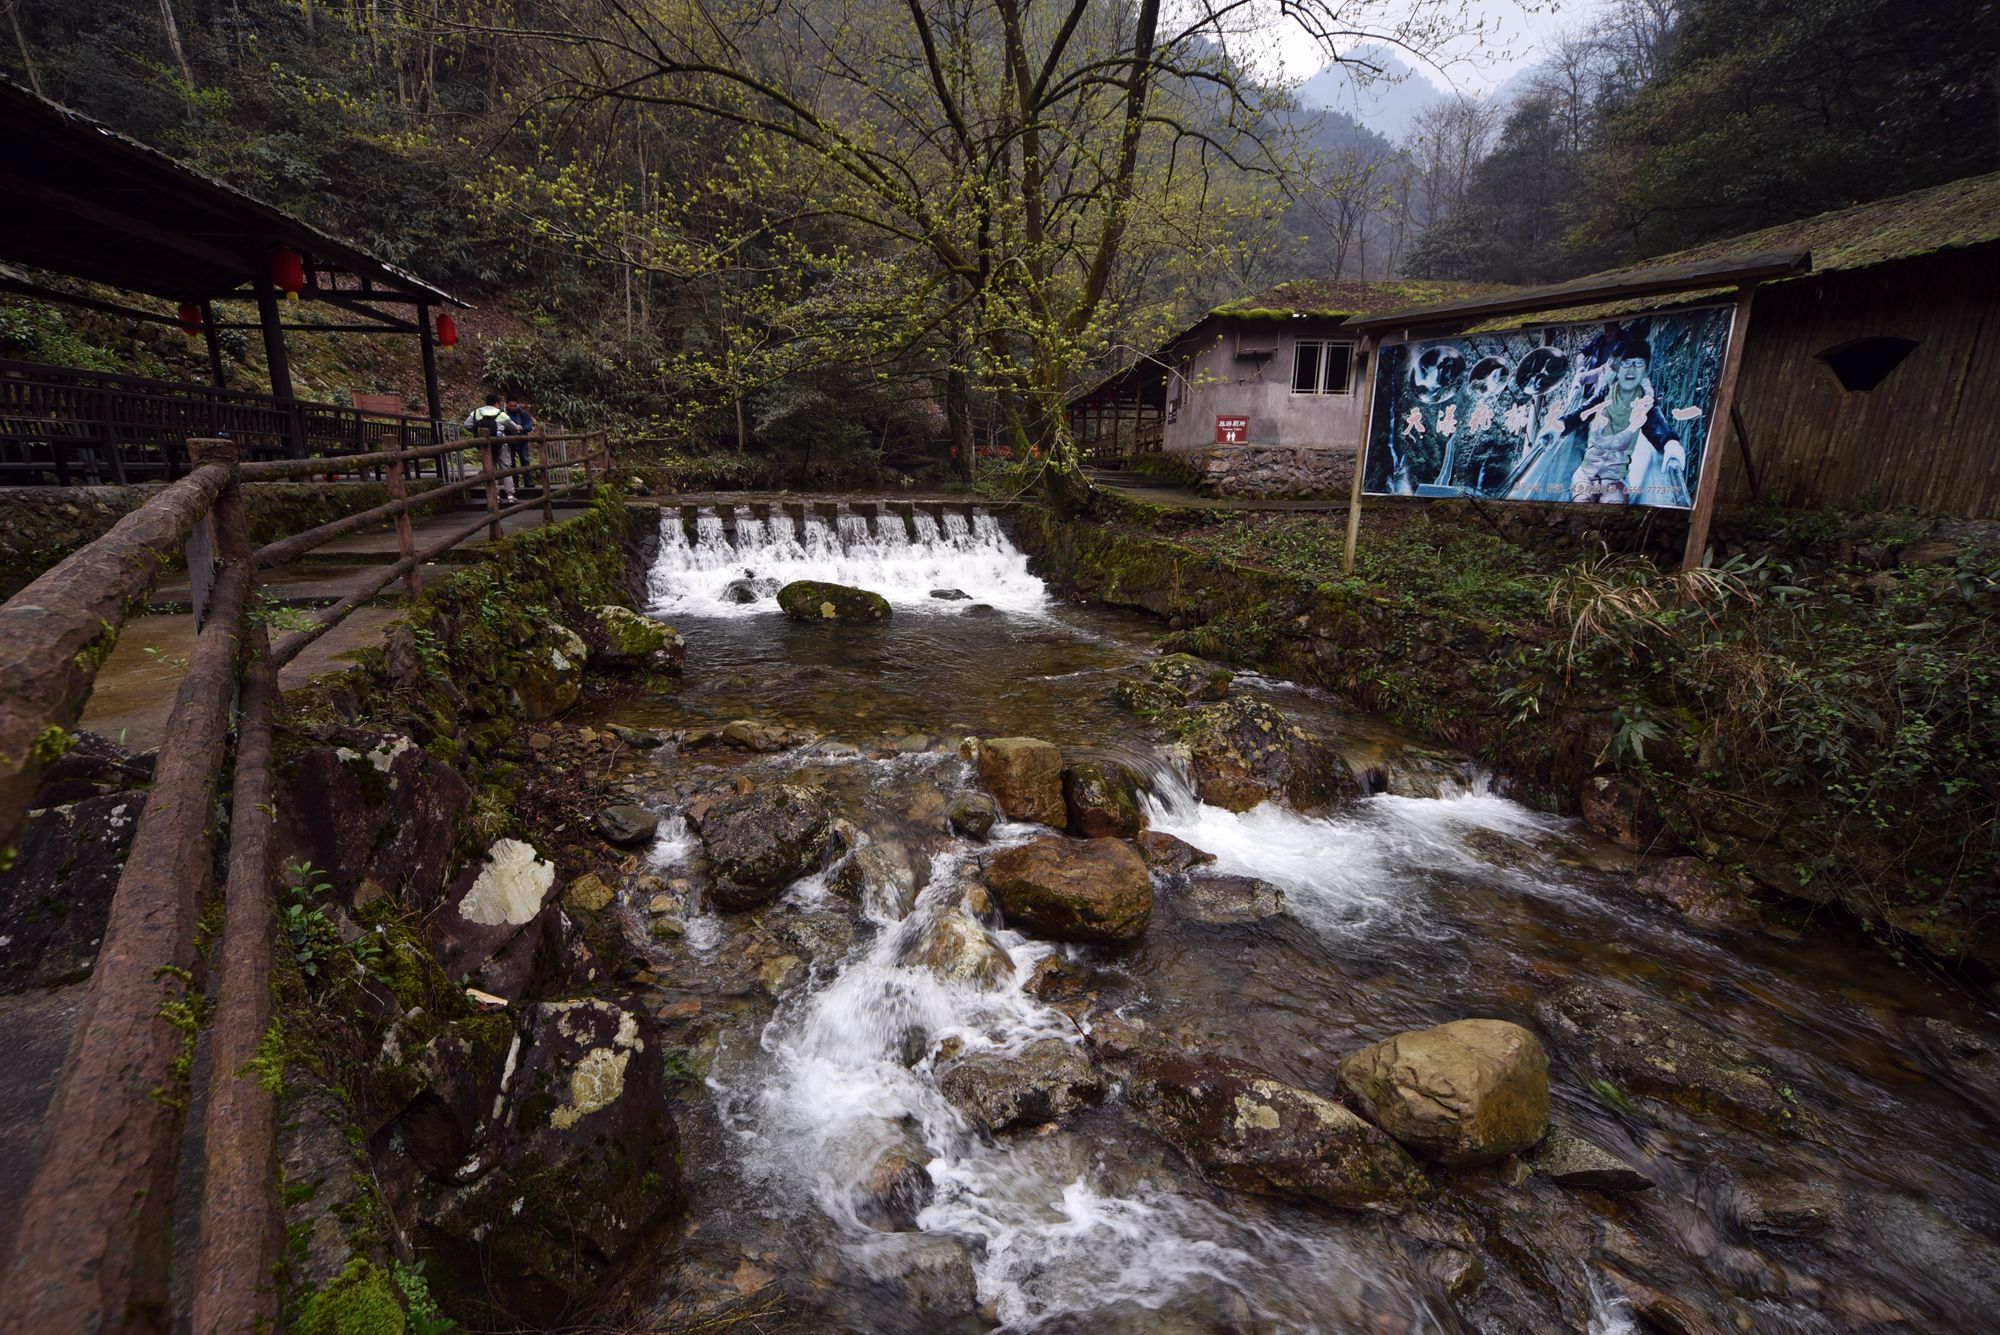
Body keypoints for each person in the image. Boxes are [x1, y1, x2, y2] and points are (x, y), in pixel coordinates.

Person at [1558, 336, 1687, 505]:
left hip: (1615, 480)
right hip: (1587, 474)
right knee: (1581, 505)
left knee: (1610, 510)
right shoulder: (1605, 394)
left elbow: (1656, 426)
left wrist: (1670, 443)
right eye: (1626, 363)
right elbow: (1580, 413)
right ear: (1618, 368)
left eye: (1638, 364)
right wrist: (1557, 426)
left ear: (1646, 371)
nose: (1631, 370)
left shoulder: (1644, 403)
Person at [462, 392, 521, 498]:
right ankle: (510, 494)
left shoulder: (477, 412)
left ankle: (495, 494)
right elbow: (514, 428)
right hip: (500, 443)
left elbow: (467, 424)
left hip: (485, 445)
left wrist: (477, 430)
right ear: (497, 403)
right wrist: (517, 428)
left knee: (490, 468)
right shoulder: (500, 414)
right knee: (505, 467)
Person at [505, 396, 536, 500]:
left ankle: (528, 481)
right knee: (511, 462)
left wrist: (523, 428)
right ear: (506, 404)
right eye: (511, 406)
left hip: (522, 440)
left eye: (515, 405)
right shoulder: (504, 414)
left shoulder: (523, 413)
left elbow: (529, 425)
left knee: (525, 460)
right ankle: (515, 482)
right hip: (509, 441)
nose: (513, 408)